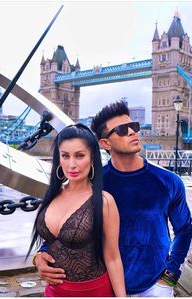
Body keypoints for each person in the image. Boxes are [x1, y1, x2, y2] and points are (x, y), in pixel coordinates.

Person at [33, 101, 192, 297]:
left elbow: (185, 230)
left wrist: (169, 276)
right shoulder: (93, 183)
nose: (133, 132)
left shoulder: (168, 181)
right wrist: (41, 254)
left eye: (134, 126)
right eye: (122, 130)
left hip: (153, 287)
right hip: (105, 285)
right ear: (105, 143)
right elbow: (63, 222)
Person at [27, 123, 126, 297]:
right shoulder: (52, 195)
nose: (71, 164)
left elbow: (113, 258)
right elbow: (51, 243)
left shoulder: (104, 201)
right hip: (53, 292)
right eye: (65, 156)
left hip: (93, 291)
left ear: (92, 157)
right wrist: (37, 258)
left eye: (80, 156)